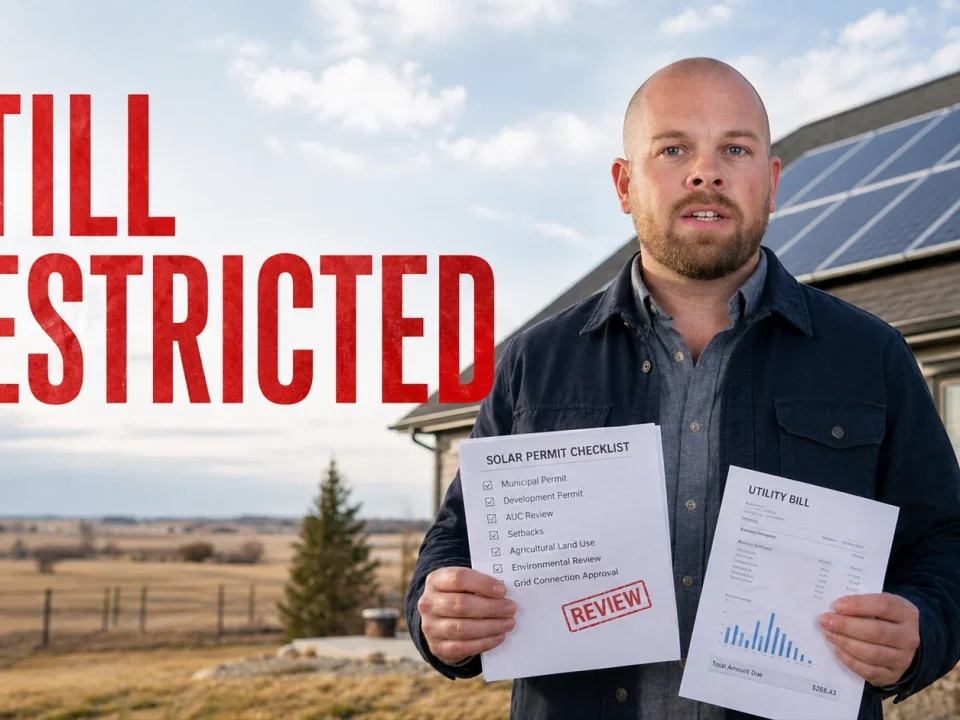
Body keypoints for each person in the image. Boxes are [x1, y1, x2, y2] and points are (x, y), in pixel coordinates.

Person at [404, 56, 960, 720]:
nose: (706, 171)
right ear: (624, 182)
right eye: (673, 149)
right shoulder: (533, 363)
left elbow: (945, 543)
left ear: (772, 181)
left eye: (735, 148)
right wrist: (440, 616)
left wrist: (923, 627)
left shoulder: (873, 357)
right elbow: (457, 540)